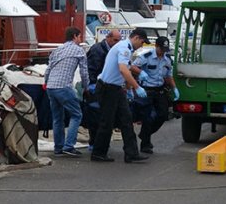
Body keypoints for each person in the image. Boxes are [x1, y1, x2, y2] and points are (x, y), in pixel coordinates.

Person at [91, 28, 150, 163]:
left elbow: (128, 67)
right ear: (135, 38)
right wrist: (137, 86)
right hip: (107, 88)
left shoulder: (126, 48)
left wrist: (137, 75)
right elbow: (123, 69)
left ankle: (131, 153)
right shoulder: (124, 48)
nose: (141, 46)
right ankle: (98, 153)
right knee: (107, 122)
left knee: (127, 119)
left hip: (116, 89)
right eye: (141, 42)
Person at [44, 27, 89, 157]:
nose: (81, 40)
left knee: (58, 118)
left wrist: (46, 83)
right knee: (77, 114)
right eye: (80, 37)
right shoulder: (79, 51)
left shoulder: (57, 50)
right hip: (64, 86)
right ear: (75, 36)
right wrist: (86, 87)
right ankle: (69, 145)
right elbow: (84, 72)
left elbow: (48, 70)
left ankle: (58, 148)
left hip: (51, 87)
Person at [131, 36, 180, 154]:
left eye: (165, 49)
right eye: (162, 49)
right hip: (147, 90)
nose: (163, 52)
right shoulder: (146, 56)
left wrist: (175, 88)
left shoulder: (167, 60)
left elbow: (168, 76)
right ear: (156, 46)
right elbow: (132, 66)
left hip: (160, 90)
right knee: (147, 117)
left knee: (163, 115)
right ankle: (146, 145)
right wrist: (141, 72)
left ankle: (144, 134)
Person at [85, 29, 121, 150]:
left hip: (106, 86)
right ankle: (94, 142)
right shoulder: (98, 50)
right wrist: (92, 84)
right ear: (108, 38)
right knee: (96, 116)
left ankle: (100, 143)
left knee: (105, 116)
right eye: (115, 40)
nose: (117, 43)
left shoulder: (112, 50)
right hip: (97, 85)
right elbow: (92, 69)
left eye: (119, 40)